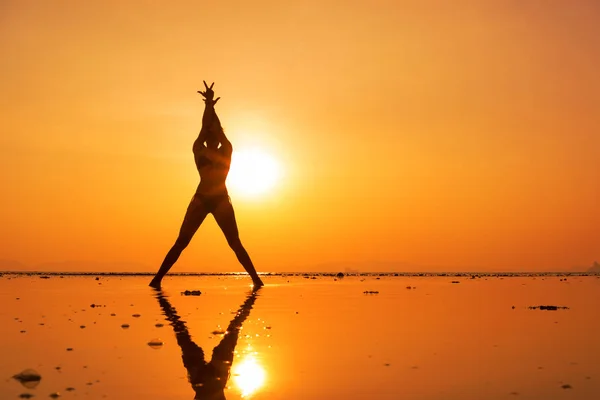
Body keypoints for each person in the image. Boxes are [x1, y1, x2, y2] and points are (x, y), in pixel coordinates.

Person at [150, 82, 263, 288]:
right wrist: (208, 106)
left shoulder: (226, 149)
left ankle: (256, 280)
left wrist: (211, 106)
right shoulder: (199, 149)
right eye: (208, 135)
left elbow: (214, 128)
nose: (211, 136)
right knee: (181, 242)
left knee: (235, 243)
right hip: (201, 199)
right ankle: (157, 280)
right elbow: (205, 127)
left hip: (221, 200)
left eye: (214, 134)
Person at [153, 288, 260, 399]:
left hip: (206, 382)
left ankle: (253, 297)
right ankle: (253, 296)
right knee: (181, 332)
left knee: (182, 332)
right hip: (209, 383)